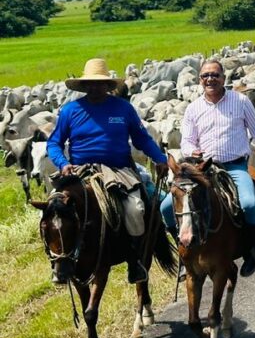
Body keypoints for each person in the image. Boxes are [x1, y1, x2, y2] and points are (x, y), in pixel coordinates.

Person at [46, 58, 170, 284]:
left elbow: (142, 138)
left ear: (108, 85)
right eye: (90, 84)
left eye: (100, 83)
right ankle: (60, 260)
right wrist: (63, 163)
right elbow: (54, 143)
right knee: (53, 212)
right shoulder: (71, 110)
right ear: (84, 86)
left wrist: (161, 158)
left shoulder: (123, 108)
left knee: (134, 209)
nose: (95, 88)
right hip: (81, 171)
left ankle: (135, 259)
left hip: (119, 170)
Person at [180, 59, 255, 277]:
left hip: (234, 167)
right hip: (202, 169)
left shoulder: (240, 101)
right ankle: (186, 253)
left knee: (251, 204)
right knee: (168, 207)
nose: (210, 79)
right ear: (199, 80)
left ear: (224, 78)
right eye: (205, 76)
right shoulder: (193, 108)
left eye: (215, 75)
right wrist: (191, 150)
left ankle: (252, 250)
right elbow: (186, 140)